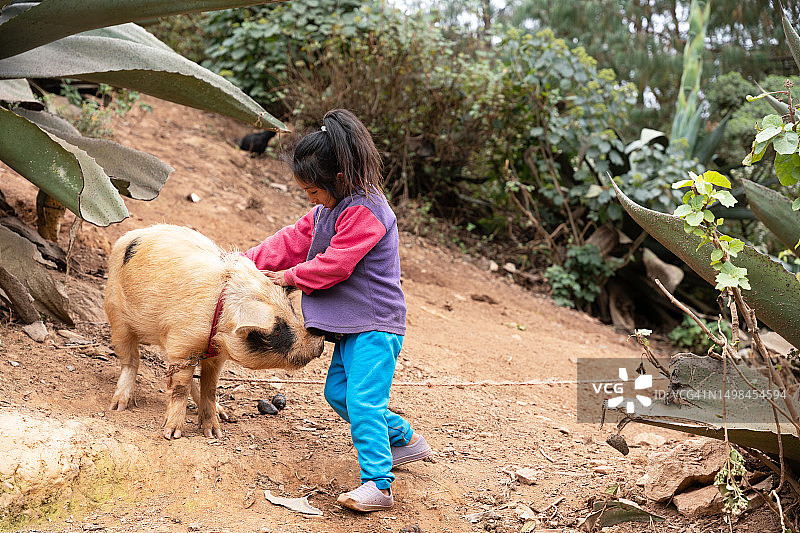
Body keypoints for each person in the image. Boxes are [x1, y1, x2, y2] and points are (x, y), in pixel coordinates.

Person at [244, 109, 431, 512]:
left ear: (340, 179)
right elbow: (289, 240)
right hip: (351, 325)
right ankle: (404, 440)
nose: (309, 199)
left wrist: (289, 278)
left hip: (376, 325)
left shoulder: (367, 211)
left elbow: (336, 264)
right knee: (340, 394)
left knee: (364, 403)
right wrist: (243, 263)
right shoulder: (327, 210)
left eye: (313, 190)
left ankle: (378, 485)